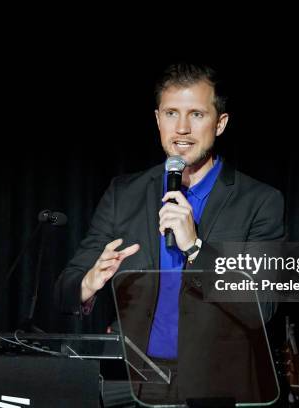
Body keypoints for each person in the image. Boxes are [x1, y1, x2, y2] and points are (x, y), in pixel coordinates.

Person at [54, 63, 284, 404]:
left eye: (196, 114)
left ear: (220, 123)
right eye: (171, 113)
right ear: (157, 119)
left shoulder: (259, 201)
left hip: (214, 387)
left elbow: (261, 307)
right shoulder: (124, 193)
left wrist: (195, 248)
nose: (182, 129)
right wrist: (88, 284)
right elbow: (65, 290)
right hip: (130, 383)